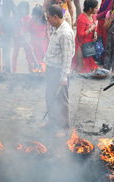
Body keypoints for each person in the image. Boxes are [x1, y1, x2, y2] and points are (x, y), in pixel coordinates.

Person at [43, 5, 75, 136]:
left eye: (48, 17)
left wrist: (63, 77)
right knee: (50, 96)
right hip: (52, 69)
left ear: (56, 17)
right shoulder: (56, 27)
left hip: (59, 72)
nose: (48, 20)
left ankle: (64, 128)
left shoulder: (65, 33)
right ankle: (52, 121)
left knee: (61, 100)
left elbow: (67, 58)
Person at [73, 0, 98, 73]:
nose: (97, 9)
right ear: (90, 9)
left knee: (88, 65)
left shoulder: (93, 16)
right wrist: (90, 29)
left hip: (89, 43)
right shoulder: (81, 18)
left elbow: (95, 27)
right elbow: (80, 34)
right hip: (81, 44)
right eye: (96, 8)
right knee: (80, 65)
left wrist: (95, 33)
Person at [0, 0, 17, 73]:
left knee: (7, 53)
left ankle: (8, 73)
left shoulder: (9, 1)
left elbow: (16, 13)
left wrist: (11, 23)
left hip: (7, 31)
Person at [11, 1, 34, 72]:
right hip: (17, 38)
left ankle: (31, 69)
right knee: (15, 54)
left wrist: (27, 36)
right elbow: (13, 28)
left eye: (24, 9)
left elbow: (30, 29)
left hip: (26, 38)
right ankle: (13, 70)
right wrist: (16, 35)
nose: (23, 11)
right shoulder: (15, 18)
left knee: (29, 53)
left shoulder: (29, 18)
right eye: (21, 9)